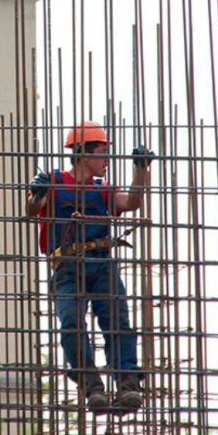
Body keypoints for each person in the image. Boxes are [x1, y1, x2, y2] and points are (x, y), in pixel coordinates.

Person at [27, 121, 154, 413]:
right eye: (102, 153)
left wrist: (141, 169)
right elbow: (33, 209)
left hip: (102, 265)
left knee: (117, 320)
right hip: (67, 266)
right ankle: (91, 385)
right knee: (71, 323)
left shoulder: (105, 190)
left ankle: (127, 384)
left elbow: (132, 201)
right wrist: (37, 191)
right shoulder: (54, 181)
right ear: (83, 154)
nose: (107, 160)